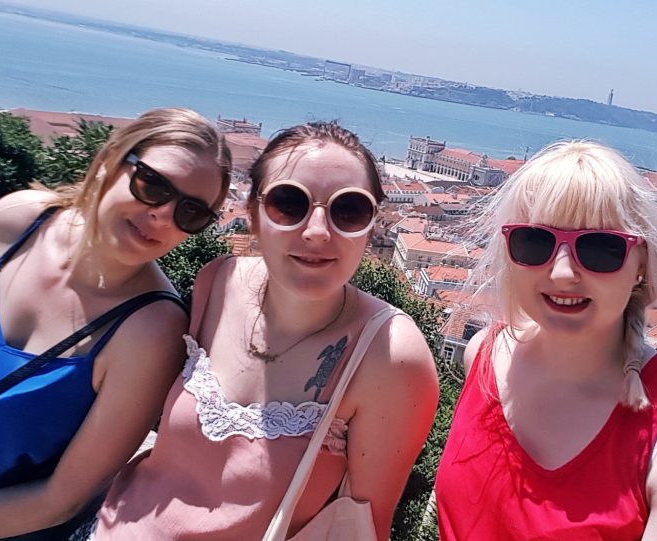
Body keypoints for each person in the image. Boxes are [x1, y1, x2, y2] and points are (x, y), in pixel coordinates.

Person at [91, 121, 439, 541]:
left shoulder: (389, 355)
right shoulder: (217, 280)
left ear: (370, 227)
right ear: (253, 216)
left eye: (349, 210)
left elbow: (365, 528)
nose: (316, 232)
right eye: (288, 203)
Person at [0, 107, 232, 540]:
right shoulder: (19, 221)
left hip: (0, 527)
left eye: (191, 212)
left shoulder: (151, 330)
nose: (163, 215)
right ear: (110, 161)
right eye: (153, 185)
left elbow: (60, 500)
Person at [435, 141, 657, 540]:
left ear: (641, 263)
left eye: (601, 248)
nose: (564, 272)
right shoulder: (484, 354)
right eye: (534, 242)